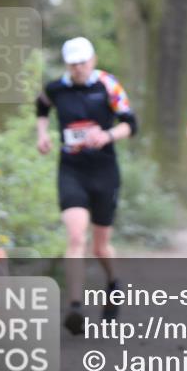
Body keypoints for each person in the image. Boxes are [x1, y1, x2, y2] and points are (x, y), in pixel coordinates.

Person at [35, 37, 138, 335]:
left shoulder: (108, 85)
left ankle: (113, 283)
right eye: (73, 63)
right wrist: (42, 134)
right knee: (76, 236)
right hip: (72, 170)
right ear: (67, 64)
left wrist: (107, 135)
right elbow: (41, 107)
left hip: (104, 170)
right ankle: (76, 306)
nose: (78, 68)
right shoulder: (56, 88)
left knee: (100, 245)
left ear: (92, 60)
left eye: (82, 62)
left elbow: (131, 123)